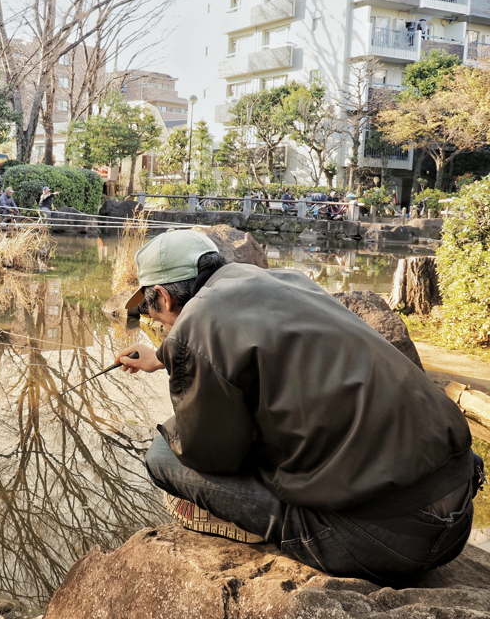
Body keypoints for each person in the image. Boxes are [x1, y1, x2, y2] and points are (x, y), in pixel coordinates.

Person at [115, 230, 482, 582]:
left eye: (151, 311)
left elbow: (213, 458)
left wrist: (183, 351)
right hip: (458, 508)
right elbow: (260, 347)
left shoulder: (196, 326)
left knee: (164, 454)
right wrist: (167, 356)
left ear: (162, 297)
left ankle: (258, 527)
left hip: (387, 543)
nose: (156, 321)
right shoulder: (283, 281)